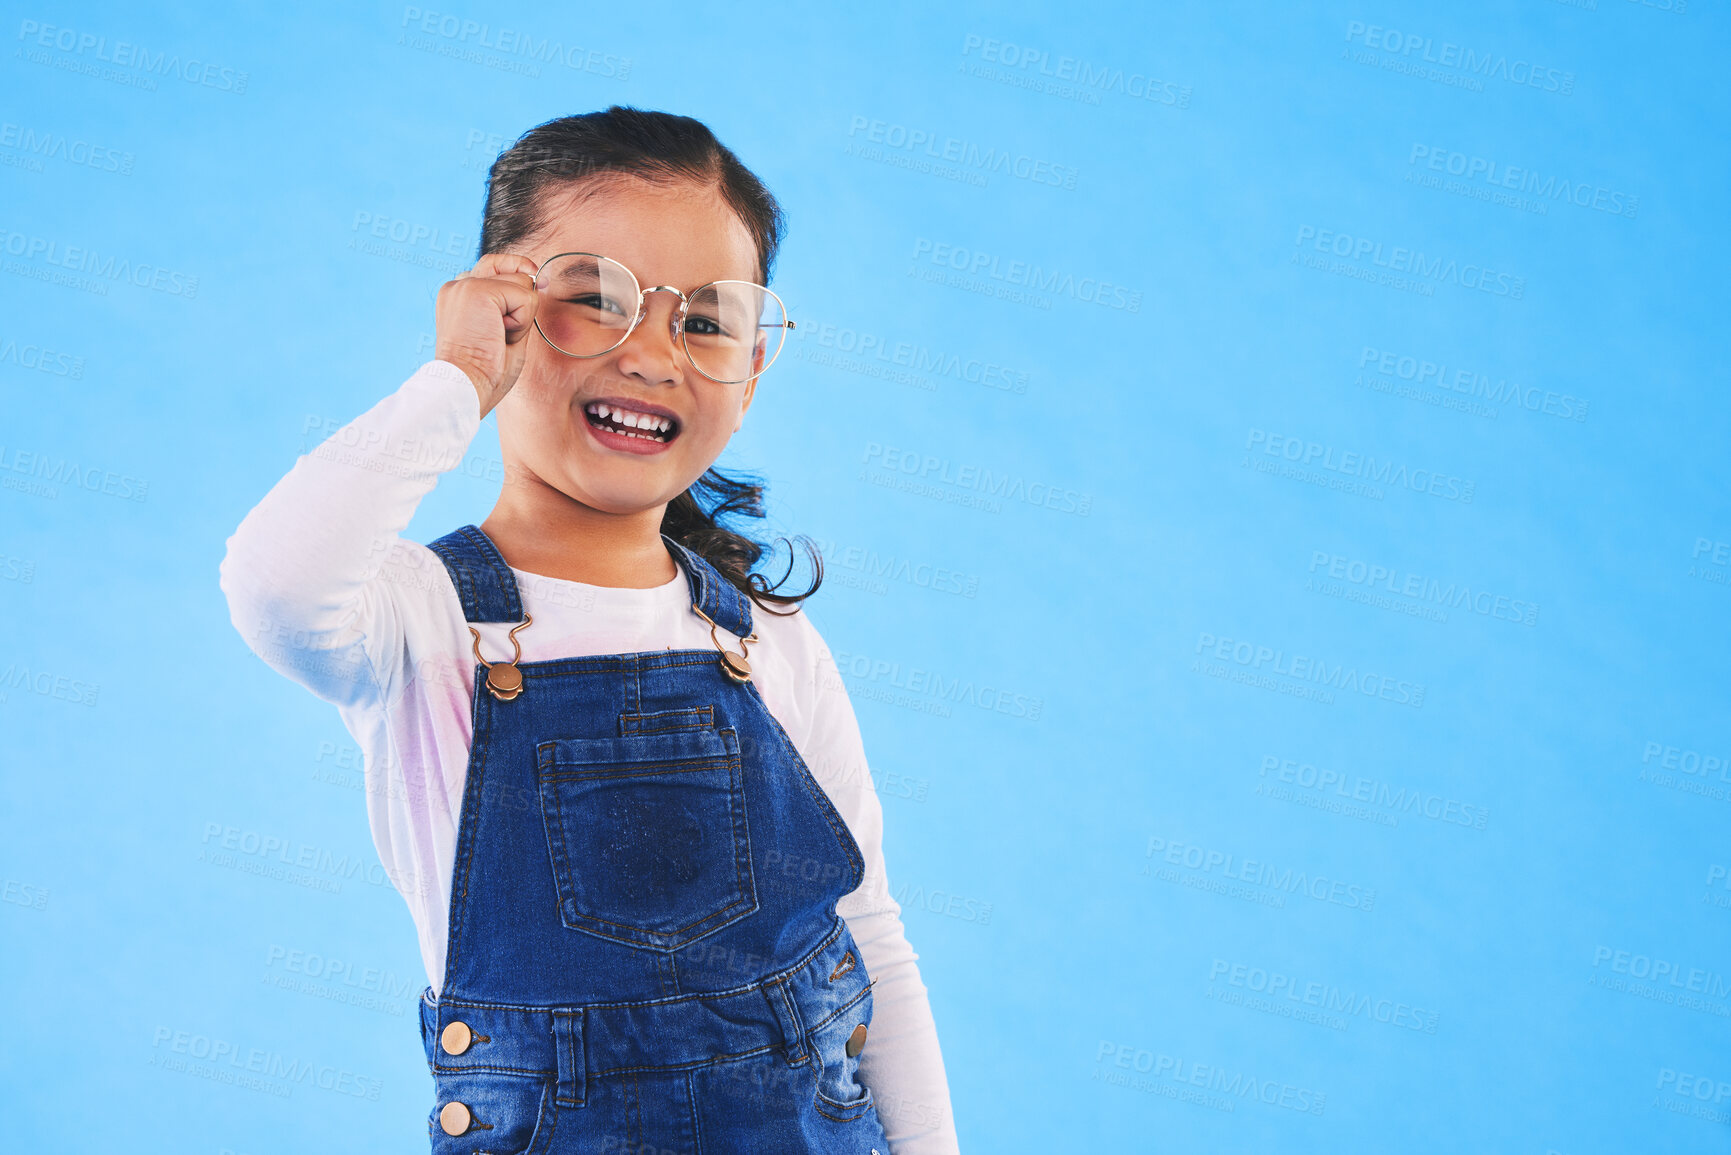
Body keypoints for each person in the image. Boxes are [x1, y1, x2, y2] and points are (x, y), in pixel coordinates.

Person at [219, 106, 958, 1154]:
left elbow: (872, 942)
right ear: (504, 313)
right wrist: (460, 380)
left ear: (750, 377)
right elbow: (274, 582)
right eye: (592, 300)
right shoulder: (423, 626)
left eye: (705, 322)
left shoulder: (770, 642)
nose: (653, 354)